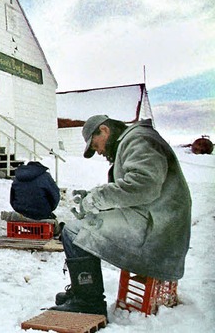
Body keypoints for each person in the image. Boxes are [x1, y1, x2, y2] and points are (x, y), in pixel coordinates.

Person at [48, 115, 192, 317]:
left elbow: (143, 186)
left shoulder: (139, 139)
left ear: (104, 130)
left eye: (95, 144)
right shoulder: (135, 140)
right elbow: (135, 190)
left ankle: (89, 301)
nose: (97, 151)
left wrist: (98, 198)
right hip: (155, 221)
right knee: (82, 226)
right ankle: (83, 291)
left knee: (74, 231)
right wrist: (92, 197)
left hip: (158, 229)